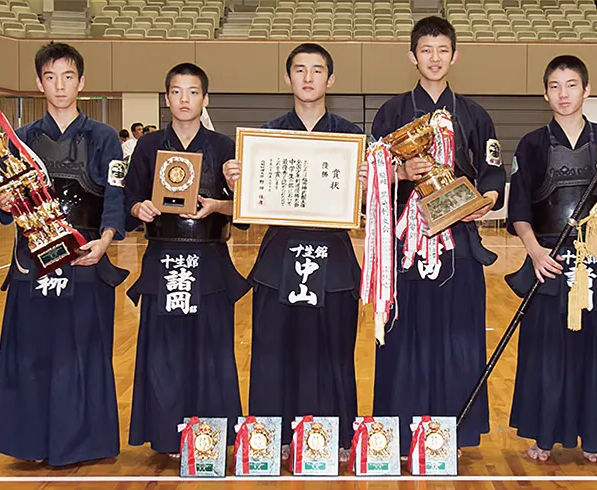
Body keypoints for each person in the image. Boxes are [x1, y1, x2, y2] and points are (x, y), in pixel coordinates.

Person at [223, 43, 367, 462]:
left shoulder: (350, 138)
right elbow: (245, 218)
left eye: (317, 70)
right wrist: (238, 184)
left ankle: (336, 436)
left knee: (334, 350)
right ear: (287, 79)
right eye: (299, 70)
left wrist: (367, 184)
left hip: (335, 258)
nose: (308, 78)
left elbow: (368, 211)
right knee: (272, 352)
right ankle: (273, 436)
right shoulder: (265, 137)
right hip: (279, 259)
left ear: (330, 80)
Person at [369, 16, 506, 457]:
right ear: (412, 56)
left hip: (458, 244)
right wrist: (400, 171)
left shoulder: (475, 114)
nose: (434, 58)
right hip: (406, 246)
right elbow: (370, 177)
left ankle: (455, 432)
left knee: (459, 336)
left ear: (454, 56)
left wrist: (483, 200)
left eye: (442, 50)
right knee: (403, 335)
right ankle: (401, 429)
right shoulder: (390, 113)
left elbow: (493, 174)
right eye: (425, 50)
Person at [0, 41, 128, 466]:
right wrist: (1, 198)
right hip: (32, 260)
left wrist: (105, 241)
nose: (60, 85)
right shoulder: (20, 139)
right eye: (51, 77)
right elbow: (9, 205)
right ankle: (30, 443)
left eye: (68, 77)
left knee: (83, 354)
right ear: (39, 83)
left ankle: (84, 442)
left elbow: (115, 195)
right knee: (33, 352)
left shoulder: (104, 138)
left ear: (82, 82)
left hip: (85, 255)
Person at [505, 55, 597, 464]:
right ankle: (545, 435)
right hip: (550, 260)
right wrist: (534, 251)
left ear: (587, 90)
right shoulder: (531, 144)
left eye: (572, 85)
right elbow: (519, 209)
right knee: (546, 354)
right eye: (556, 86)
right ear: (546, 94)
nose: (564, 94)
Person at [125, 63, 247, 456]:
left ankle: (212, 434)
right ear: (167, 98)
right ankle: (166, 434)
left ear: (205, 99)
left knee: (212, 349)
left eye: (193, 92)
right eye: (176, 92)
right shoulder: (148, 147)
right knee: (164, 352)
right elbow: (129, 198)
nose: (184, 100)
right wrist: (139, 208)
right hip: (164, 258)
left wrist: (219, 203)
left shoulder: (224, 147)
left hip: (209, 259)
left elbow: (243, 213)